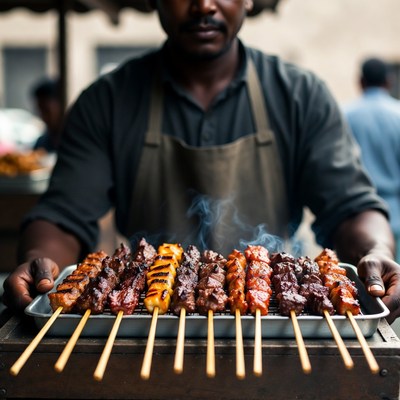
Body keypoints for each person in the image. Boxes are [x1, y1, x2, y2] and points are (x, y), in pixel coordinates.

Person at [3, 0, 400, 324]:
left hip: (279, 323)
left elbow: (352, 208)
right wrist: (42, 265)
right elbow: (61, 215)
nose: (203, 5)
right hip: (143, 329)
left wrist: (377, 250)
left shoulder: (301, 95)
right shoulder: (107, 101)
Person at [343, 57, 400, 263]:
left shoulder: (343, 116)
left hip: (352, 224)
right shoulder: (398, 115)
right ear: (389, 81)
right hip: (395, 218)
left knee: (349, 288)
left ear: (361, 81)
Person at [30, 77, 63, 153]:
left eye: (46, 111)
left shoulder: (74, 141)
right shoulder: (42, 143)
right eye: (40, 111)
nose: (43, 117)